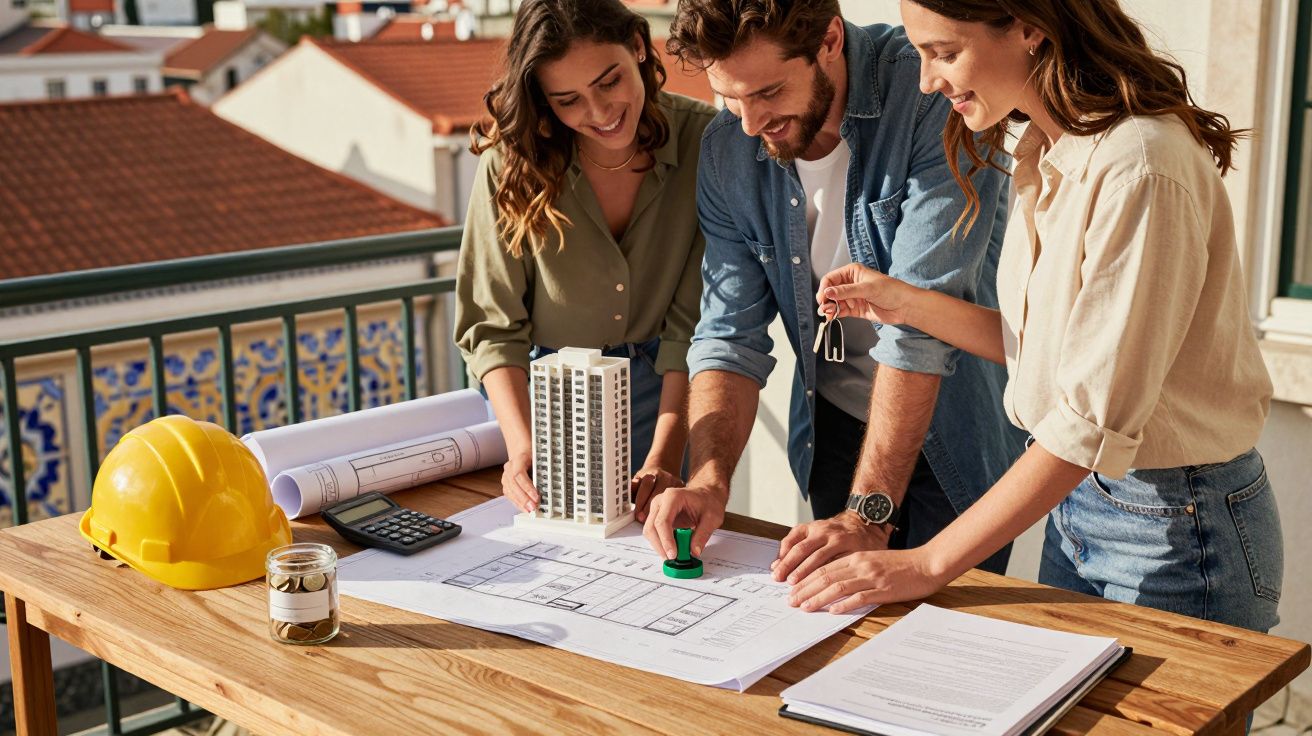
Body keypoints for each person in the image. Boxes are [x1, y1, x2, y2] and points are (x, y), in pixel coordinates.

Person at [790, 0, 1283, 635]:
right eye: (920, 54)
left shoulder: (1140, 166)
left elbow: (1088, 422)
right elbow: (1049, 353)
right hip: (1077, 509)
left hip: (1179, 535)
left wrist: (928, 563)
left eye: (944, 52)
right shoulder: (1048, 152)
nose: (927, 81)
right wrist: (903, 302)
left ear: (1029, 28)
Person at [642, 0, 1025, 577]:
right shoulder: (728, 149)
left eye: (768, 93)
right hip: (833, 437)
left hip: (958, 440)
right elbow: (729, 337)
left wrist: (867, 516)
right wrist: (710, 479)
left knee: (941, 652)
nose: (750, 124)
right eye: (731, 98)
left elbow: (915, 330)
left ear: (828, 40)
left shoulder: (931, 95)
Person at [454, 0, 717, 515]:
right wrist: (522, 444)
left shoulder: (706, 140)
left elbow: (694, 324)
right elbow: (491, 326)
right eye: (568, 100)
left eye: (609, 81)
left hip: (665, 390)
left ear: (639, 47)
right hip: (542, 400)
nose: (599, 113)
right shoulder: (511, 160)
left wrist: (665, 452)